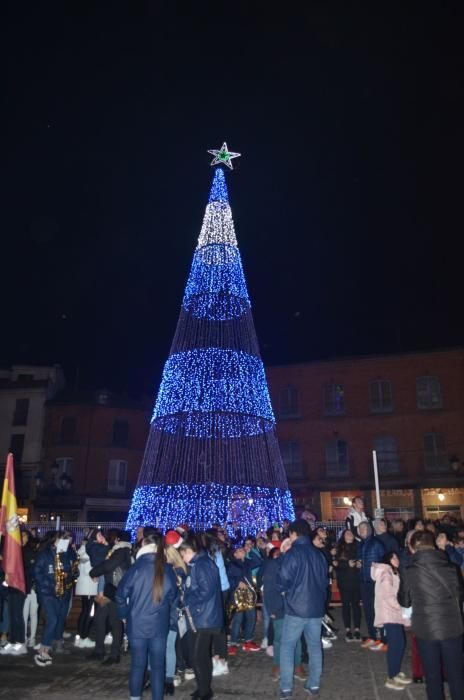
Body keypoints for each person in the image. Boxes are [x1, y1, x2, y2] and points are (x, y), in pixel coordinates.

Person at [398, 530, 464, 700]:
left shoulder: (408, 571)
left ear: (412, 548)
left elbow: (405, 601)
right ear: (433, 545)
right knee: (457, 676)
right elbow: (459, 594)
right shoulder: (451, 568)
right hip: (452, 627)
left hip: (426, 629)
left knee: (433, 677)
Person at [116, 532, 177, 700]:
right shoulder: (167, 569)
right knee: (158, 667)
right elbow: (173, 596)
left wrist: (124, 615)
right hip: (159, 625)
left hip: (137, 624)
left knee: (138, 666)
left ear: (144, 546)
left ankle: (135, 698)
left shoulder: (136, 567)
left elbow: (120, 594)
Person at [277, 519, 328, 699]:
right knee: (315, 646)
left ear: (293, 534)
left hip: (296, 609)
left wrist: (285, 592)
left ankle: (286, 688)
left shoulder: (292, 554)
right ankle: (313, 684)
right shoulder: (319, 555)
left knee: (287, 647)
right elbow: (324, 583)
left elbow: (283, 579)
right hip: (315, 609)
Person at [179, 535, 223, 700]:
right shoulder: (199, 564)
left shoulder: (202, 564)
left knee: (198, 656)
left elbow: (206, 591)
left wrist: (187, 598)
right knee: (199, 655)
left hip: (205, 618)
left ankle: (205, 691)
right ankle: (203, 688)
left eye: (183, 555)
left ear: (189, 551)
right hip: (200, 616)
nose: (182, 558)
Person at [260, 545, 305, 683]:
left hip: (296, 607)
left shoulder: (300, 564)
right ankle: (278, 665)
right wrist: (272, 609)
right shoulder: (273, 564)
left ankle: (297, 665)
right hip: (279, 607)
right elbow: (268, 588)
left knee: (296, 638)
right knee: (279, 638)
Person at [89, 529, 132, 665]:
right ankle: (99, 650)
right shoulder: (117, 550)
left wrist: (93, 572)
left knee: (115, 623)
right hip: (109, 590)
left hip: (116, 591)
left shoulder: (122, 551)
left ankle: (114, 654)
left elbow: (108, 565)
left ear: (118, 539)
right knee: (100, 619)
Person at [371, 552, 412, 691]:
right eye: (394, 557)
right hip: (390, 613)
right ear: (388, 560)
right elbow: (388, 596)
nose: (397, 559)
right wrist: (402, 609)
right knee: (396, 644)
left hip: (394, 613)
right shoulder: (386, 573)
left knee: (399, 643)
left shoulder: (393, 572)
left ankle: (396, 671)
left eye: (397, 557)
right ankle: (391, 677)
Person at [226, 545, 261, 653]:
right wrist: (237, 582)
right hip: (237, 596)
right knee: (237, 620)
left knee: (251, 617)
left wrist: (250, 551)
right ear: (235, 554)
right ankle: (233, 643)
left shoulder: (247, 562)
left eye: (243, 549)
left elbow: (259, 561)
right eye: (239, 550)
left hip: (249, 595)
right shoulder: (231, 565)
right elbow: (228, 579)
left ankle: (248, 641)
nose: (242, 551)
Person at [357, 521, 386, 650]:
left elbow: (384, 562)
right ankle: (373, 636)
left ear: (369, 529)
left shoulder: (376, 543)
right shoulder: (362, 544)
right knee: (368, 611)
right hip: (365, 582)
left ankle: (383, 639)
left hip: (376, 582)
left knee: (378, 611)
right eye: (359, 529)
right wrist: (359, 566)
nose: (361, 530)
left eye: (363, 528)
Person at [333, 529, 362, 642]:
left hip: (356, 580)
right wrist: (346, 564)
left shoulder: (358, 546)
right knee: (345, 605)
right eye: (347, 533)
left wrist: (360, 564)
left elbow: (362, 559)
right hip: (344, 581)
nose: (349, 535)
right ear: (343, 536)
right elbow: (335, 564)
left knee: (356, 605)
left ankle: (357, 629)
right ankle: (348, 629)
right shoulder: (339, 548)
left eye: (351, 533)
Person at [74, 534, 97, 649]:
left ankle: (81, 636)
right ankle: (84, 637)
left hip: (84, 586)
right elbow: (90, 570)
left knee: (85, 611)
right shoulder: (88, 552)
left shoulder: (81, 551)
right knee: (88, 613)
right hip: (89, 586)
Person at [22, 529, 38, 649]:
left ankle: (31, 638)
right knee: (24, 613)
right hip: (23, 586)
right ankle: (23, 637)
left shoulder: (31, 551)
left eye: (25, 536)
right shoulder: (17, 551)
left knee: (32, 613)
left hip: (32, 586)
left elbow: (34, 569)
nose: (23, 538)